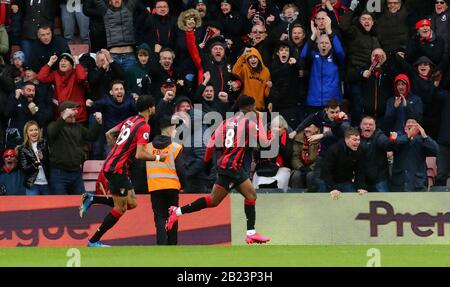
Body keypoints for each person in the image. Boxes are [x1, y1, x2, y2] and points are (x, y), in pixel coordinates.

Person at [166, 95, 272, 244]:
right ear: (250, 107)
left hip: (224, 166)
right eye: (254, 107)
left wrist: (207, 162)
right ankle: (251, 233)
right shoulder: (250, 123)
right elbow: (265, 143)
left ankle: (176, 211)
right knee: (251, 195)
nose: (255, 110)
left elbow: (210, 144)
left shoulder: (226, 122)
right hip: (233, 167)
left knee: (213, 200)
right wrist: (263, 123)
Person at [79, 95, 168, 247]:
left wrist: (118, 150)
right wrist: (159, 158)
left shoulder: (130, 120)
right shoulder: (144, 127)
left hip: (115, 166)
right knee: (120, 208)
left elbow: (109, 133)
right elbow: (140, 154)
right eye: (153, 105)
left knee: (132, 203)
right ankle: (93, 241)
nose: (154, 108)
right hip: (117, 169)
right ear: (150, 108)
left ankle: (93, 199)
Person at [47, 101, 103, 195]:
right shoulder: (54, 125)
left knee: (80, 203)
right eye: (72, 110)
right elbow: (52, 132)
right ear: (63, 113)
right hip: (59, 174)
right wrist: (63, 117)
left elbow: (92, 136)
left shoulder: (78, 127)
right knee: (60, 204)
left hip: (76, 172)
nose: (75, 113)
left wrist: (98, 123)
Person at [146, 119, 185, 245]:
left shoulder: (148, 147)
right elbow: (181, 169)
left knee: (159, 216)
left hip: (155, 187)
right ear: (169, 129)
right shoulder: (176, 147)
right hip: (172, 187)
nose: (175, 131)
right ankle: (172, 244)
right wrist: (183, 185)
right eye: (174, 128)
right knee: (172, 216)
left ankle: (161, 244)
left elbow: (141, 168)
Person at [390, 117, 439, 191]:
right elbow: (392, 144)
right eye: (408, 122)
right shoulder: (398, 136)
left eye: (413, 122)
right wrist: (408, 136)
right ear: (404, 126)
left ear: (418, 126)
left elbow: (436, 150)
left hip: (418, 183)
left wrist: (425, 136)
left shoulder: (422, 139)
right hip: (399, 183)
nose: (410, 124)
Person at [322, 127, 368, 200]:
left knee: (353, 198)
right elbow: (326, 171)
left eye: (359, 140)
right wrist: (332, 188)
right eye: (354, 140)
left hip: (345, 181)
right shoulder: (334, 150)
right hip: (329, 181)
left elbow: (360, 171)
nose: (357, 142)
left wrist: (361, 187)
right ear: (346, 140)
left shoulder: (360, 151)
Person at [358, 116, 393, 192]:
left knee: (384, 200)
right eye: (365, 124)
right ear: (360, 126)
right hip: (362, 179)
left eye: (370, 125)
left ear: (375, 127)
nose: (368, 126)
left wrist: (391, 141)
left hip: (379, 179)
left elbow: (386, 144)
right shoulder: (355, 135)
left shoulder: (379, 135)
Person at [232, 47, 271, 111]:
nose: (253, 59)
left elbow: (266, 94)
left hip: (259, 108)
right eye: (250, 58)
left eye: (255, 57)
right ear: (247, 59)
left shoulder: (266, 71)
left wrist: (269, 87)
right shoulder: (245, 68)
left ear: (259, 58)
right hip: (245, 107)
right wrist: (242, 56)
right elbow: (234, 71)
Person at [17, 121, 50, 195]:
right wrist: (35, 165)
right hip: (32, 184)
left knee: (49, 206)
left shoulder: (44, 143)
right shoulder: (23, 149)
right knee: (32, 206)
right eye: (31, 130)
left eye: (36, 129)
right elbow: (24, 169)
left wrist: (42, 158)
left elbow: (51, 163)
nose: (34, 132)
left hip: (46, 184)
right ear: (26, 133)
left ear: (39, 131)